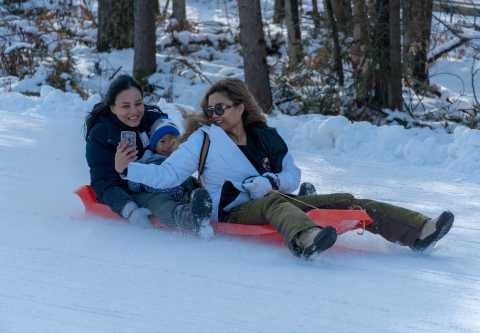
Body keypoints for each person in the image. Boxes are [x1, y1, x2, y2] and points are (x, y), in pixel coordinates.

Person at [115, 78, 454, 258]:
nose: (214, 114)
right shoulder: (204, 138)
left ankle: (419, 231)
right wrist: (127, 170)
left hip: (268, 199)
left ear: (241, 107)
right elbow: (168, 175)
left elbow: (293, 176)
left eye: (220, 108)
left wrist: (271, 180)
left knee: (346, 198)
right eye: (210, 109)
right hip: (231, 211)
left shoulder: (267, 138)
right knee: (276, 203)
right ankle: (304, 239)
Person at [85, 74, 212, 234]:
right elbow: (102, 182)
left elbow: (173, 142)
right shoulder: (101, 135)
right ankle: (185, 217)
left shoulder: (152, 119)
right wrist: (129, 210)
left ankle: (202, 202)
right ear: (112, 107)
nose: (134, 111)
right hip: (131, 191)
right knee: (157, 201)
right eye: (125, 106)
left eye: (138, 103)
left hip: (162, 176)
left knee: (188, 182)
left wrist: (173, 142)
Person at [127, 116, 198, 202]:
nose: (168, 146)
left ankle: (195, 196)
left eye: (172, 142)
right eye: (162, 141)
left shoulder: (178, 159)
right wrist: (144, 184)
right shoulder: (148, 159)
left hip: (180, 191)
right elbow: (133, 181)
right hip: (157, 196)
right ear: (154, 144)